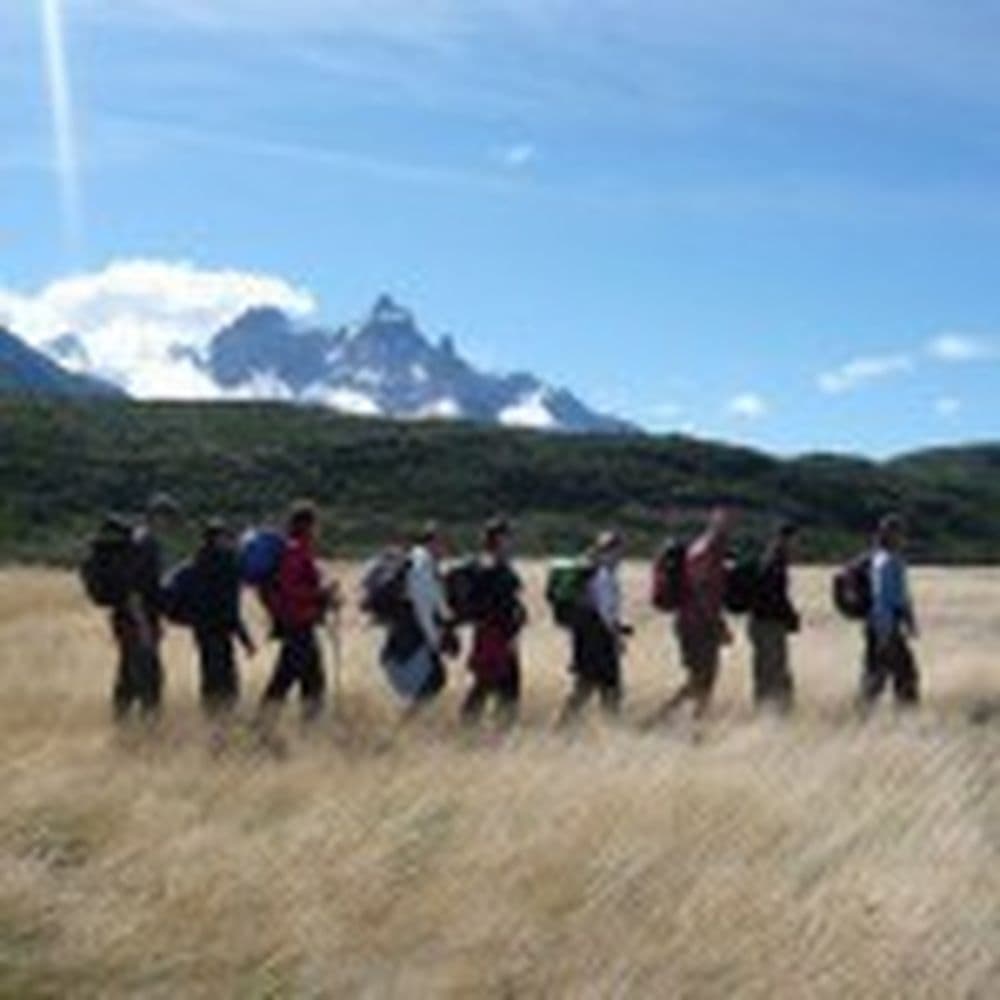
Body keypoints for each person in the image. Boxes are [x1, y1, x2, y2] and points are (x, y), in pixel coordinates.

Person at [258, 501, 335, 731]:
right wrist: (320, 594)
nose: (319, 529)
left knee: (311, 682)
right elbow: (290, 588)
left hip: (300, 623)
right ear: (307, 525)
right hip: (298, 624)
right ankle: (262, 729)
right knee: (286, 681)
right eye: (316, 524)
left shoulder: (298, 549)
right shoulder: (296, 550)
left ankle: (307, 730)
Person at [652, 507, 733, 723]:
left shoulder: (705, 550)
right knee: (702, 678)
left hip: (696, 623)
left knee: (703, 678)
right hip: (697, 625)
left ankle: (690, 720)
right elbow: (701, 593)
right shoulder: (705, 553)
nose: (728, 530)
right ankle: (669, 717)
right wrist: (717, 625)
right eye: (724, 524)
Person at [111, 493, 180, 722]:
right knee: (150, 679)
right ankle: (149, 737)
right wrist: (144, 627)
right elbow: (134, 591)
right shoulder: (145, 545)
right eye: (169, 518)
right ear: (156, 517)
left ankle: (123, 729)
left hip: (129, 619)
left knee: (129, 676)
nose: (171, 524)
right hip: (136, 620)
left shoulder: (140, 541)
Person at [557, 530, 630, 725]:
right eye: (618, 551)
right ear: (609, 552)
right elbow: (606, 613)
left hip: (586, 640)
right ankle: (611, 727)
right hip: (600, 641)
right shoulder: (604, 576)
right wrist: (617, 637)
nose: (620, 556)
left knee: (586, 686)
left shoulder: (594, 574)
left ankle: (564, 726)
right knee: (608, 688)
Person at [460, 518, 527, 730]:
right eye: (508, 536)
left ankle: (480, 728)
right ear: (498, 539)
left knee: (491, 683)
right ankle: (491, 730)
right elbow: (499, 603)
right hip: (496, 633)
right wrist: (511, 626)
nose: (511, 541)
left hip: (493, 632)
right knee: (497, 684)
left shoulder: (491, 564)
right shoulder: (493, 566)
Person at [380, 523, 453, 715]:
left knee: (433, 679)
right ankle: (407, 720)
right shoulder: (422, 566)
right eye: (443, 543)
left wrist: (447, 619)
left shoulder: (424, 563)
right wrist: (436, 640)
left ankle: (411, 719)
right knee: (435, 679)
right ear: (433, 542)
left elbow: (437, 598)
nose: (446, 548)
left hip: (409, 633)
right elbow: (424, 609)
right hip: (413, 634)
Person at [189, 520, 255, 718]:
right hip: (220, 629)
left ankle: (211, 721)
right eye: (227, 537)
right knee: (227, 682)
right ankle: (224, 726)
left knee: (209, 678)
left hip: (202, 629)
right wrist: (245, 640)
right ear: (219, 539)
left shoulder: (198, 561)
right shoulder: (227, 564)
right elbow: (230, 607)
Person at [860, 514, 920, 711]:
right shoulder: (893, 561)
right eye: (900, 533)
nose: (903, 538)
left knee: (877, 671)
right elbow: (897, 598)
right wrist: (910, 622)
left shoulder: (876, 558)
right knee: (906, 673)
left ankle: (862, 714)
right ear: (893, 535)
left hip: (873, 623)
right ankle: (906, 716)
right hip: (887, 625)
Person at [747, 520, 800, 714]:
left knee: (765, 671)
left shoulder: (769, 559)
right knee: (775, 672)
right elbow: (775, 596)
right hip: (769, 624)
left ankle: (766, 711)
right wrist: (789, 616)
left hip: (761, 622)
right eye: (794, 540)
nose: (796, 545)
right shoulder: (775, 562)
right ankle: (777, 713)